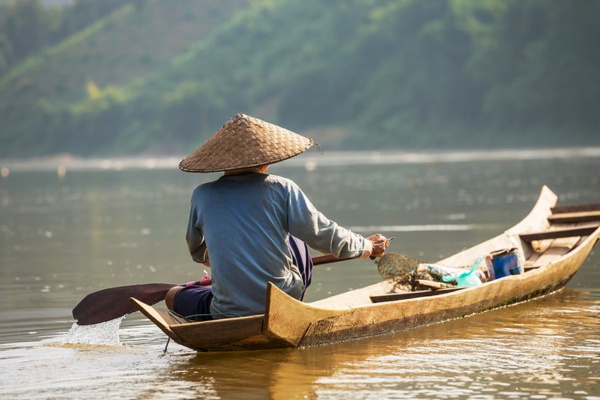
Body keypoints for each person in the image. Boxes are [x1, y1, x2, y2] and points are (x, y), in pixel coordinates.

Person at [166, 113, 389, 321]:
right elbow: (323, 234)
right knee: (297, 233)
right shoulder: (282, 189)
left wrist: (225, 261)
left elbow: (197, 251)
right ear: (266, 160)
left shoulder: (202, 195)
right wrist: (366, 246)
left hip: (227, 310)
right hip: (282, 300)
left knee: (173, 295)